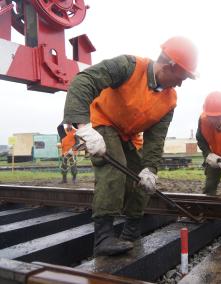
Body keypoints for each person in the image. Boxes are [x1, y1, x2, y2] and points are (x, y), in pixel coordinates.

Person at [62, 36, 198, 256]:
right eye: (181, 76)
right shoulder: (129, 66)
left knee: (140, 180)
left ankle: (130, 231)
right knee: (115, 167)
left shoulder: (170, 100)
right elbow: (83, 81)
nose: (181, 83)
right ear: (169, 66)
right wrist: (83, 127)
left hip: (127, 134)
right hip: (101, 123)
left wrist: (150, 168)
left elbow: (156, 139)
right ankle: (103, 237)